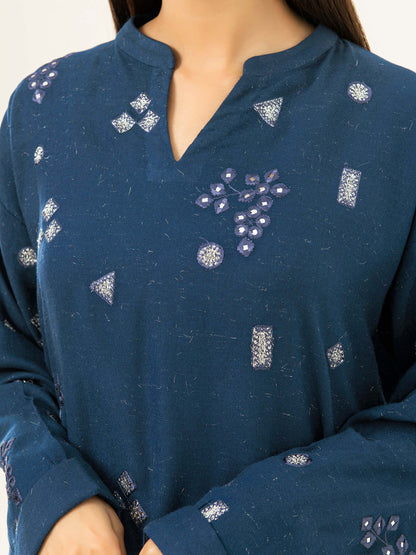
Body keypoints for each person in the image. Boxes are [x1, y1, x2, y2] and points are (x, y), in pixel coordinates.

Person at [1, 0, 416, 553]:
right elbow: (10, 345)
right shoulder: (45, 107)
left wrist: (222, 537)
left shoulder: (398, 121)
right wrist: (56, 498)